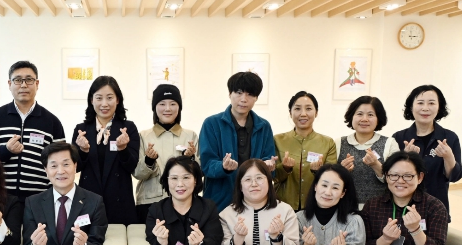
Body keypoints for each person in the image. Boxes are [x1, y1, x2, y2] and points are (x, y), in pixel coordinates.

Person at [0, 61, 65, 204]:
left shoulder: (52, 121)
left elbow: (60, 160)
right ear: (9, 84)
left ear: (37, 84)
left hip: (39, 199)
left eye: (29, 80)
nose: (24, 85)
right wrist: (6, 150)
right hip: (0, 197)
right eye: (18, 80)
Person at [199, 72, 275, 212]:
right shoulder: (211, 124)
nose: (243, 99)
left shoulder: (264, 126)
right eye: (239, 93)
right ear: (230, 94)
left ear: (256, 98)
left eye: (250, 94)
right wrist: (223, 167)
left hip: (254, 202)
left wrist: (269, 165)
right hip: (219, 202)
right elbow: (206, 164)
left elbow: (268, 160)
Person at [72, 76, 140, 225]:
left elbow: (132, 166)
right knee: (87, 238)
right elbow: (75, 168)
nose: (104, 104)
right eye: (99, 98)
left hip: (120, 201)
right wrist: (83, 151)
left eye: (109, 98)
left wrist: (123, 149)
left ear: (117, 100)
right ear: (91, 100)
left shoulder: (128, 128)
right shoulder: (81, 130)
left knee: (119, 238)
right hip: (88, 200)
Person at [392, 85, 462, 219]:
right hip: (403, 207)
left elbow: (455, 177)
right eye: (420, 103)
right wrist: (404, 157)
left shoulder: (450, 137)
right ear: (411, 107)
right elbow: (391, 176)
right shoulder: (399, 137)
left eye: (431, 103)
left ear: (439, 107)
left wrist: (448, 157)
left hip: (437, 208)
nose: (425, 108)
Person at [134, 85, 199, 223]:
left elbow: (200, 174)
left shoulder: (190, 136)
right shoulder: (143, 136)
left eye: (173, 104)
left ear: (179, 107)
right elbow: (137, 174)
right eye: (162, 104)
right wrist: (149, 161)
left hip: (184, 202)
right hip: (149, 202)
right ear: (154, 108)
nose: (167, 108)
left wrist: (191, 159)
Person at [273, 91, 337, 210]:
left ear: (316, 112)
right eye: (297, 109)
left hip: (316, 206)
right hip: (283, 206)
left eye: (308, 109)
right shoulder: (277, 140)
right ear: (290, 112)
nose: (303, 114)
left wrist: (318, 172)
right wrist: (285, 168)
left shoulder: (328, 143)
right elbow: (272, 176)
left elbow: (331, 179)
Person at [336, 96, 399, 208]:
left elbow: (397, 179)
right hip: (344, 208)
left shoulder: (390, 143)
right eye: (359, 114)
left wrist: (376, 165)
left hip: (380, 209)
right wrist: (341, 171)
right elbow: (330, 179)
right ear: (352, 116)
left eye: (370, 115)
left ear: (378, 118)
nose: (364, 119)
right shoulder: (339, 143)